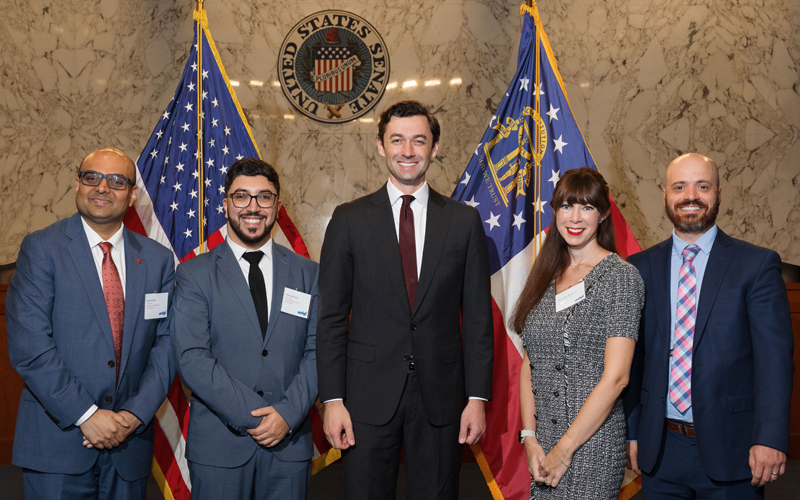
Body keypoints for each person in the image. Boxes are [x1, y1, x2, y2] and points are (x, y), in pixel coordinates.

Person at [316, 100, 494, 499]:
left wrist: (477, 398)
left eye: (419, 141)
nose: (408, 151)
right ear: (381, 146)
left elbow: (479, 319)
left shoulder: (464, 222)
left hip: (442, 400)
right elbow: (329, 319)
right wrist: (332, 400)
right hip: (365, 399)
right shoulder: (349, 219)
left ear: (434, 148)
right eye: (397, 140)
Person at [6, 148, 176, 499]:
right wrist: (87, 414)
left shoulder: (157, 260)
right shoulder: (42, 249)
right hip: (58, 442)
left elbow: (166, 345)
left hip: (129, 443)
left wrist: (134, 414)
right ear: (77, 184)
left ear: (132, 195)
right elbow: (30, 346)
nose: (102, 188)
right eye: (92, 177)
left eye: (117, 181)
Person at [624, 153, 794, 498]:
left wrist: (770, 437)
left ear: (717, 192)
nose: (691, 196)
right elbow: (632, 359)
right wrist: (632, 432)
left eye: (702, 186)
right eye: (680, 187)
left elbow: (774, 361)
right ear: (665, 195)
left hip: (734, 449)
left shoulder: (756, 265)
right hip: (659, 450)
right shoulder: (639, 268)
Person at [171, 158, 318, 500]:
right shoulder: (194, 274)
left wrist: (286, 414)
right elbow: (192, 358)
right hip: (219, 448)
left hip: (289, 443)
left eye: (264, 197)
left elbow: (319, 352)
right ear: (225, 204)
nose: (253, 207)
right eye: (241, 197)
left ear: (277, 206)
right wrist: (256, 418)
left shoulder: (309, 273)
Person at [513, 167, 644, 499]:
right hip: (542, 447)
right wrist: (529, 438)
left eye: (586, 207)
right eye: (567, 205)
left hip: (592, 448)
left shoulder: (621, 278)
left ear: (601, 215)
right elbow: (530, 364)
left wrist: (564, 450)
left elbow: (617, 378)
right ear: (555, 210)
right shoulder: (545, 274)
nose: (575, 216)